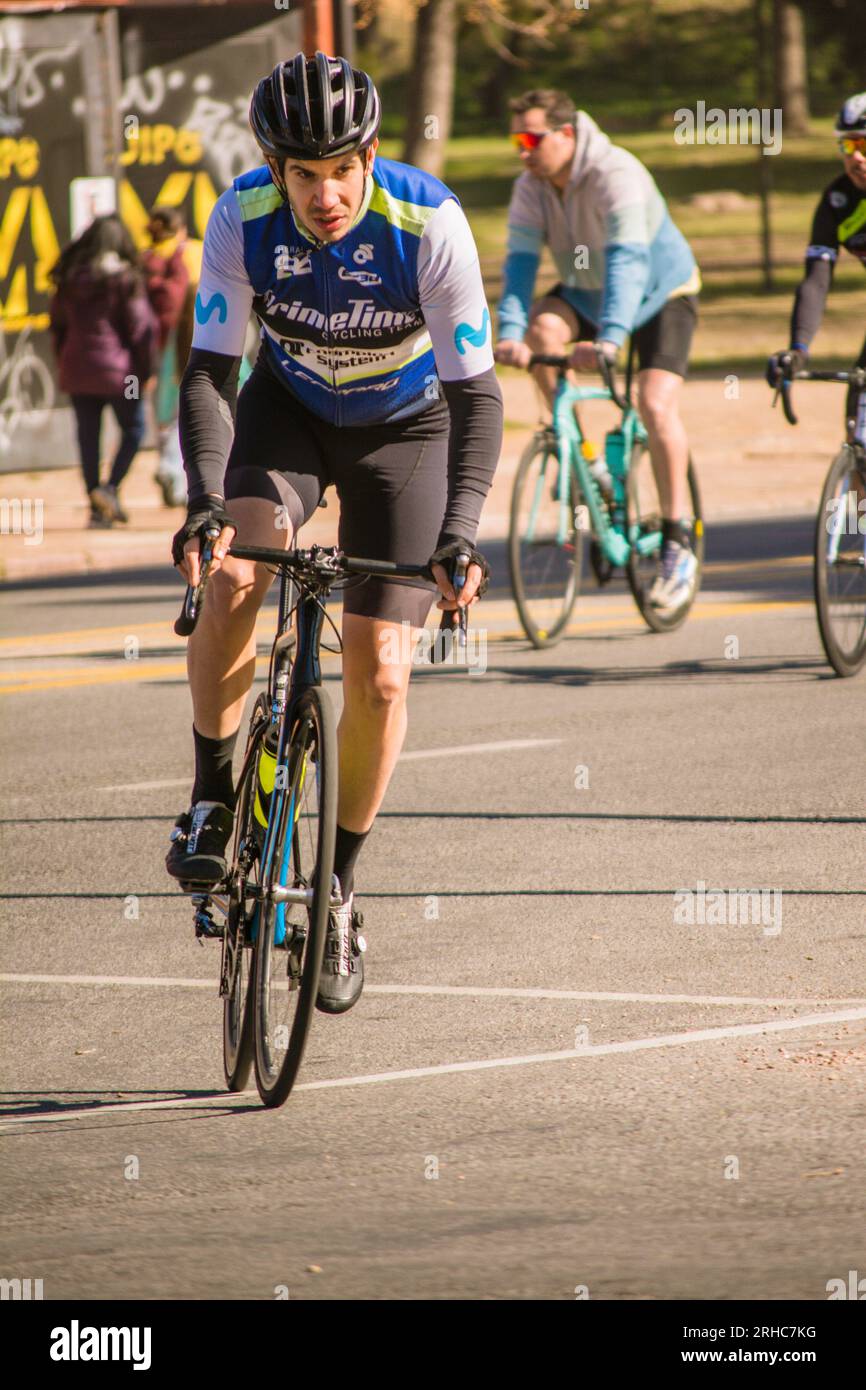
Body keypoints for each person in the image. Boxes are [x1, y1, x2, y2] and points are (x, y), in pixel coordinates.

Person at [165, 52, 503, 1015]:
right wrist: (202, 501)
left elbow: (478, 397)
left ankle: (340, 888)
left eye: (341, 169)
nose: (325, 195)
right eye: (302, 174)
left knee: (384, 671)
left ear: (370, 154)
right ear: (275, 168)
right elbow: (209, 373)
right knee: (232, 577)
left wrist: (463, 531)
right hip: (291, 415)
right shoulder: (241, 217)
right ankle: (213, 793)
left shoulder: (427, 223)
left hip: (408, 431)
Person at [494, 89, 701, 611]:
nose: (522, 150)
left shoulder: (617, 173)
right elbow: (519, 265)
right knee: (543, 333)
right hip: (587, 290)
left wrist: (610, 338)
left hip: (660, 293)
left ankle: (679, 541)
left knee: (653, 403)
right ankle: (583, 460)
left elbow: (629, 263)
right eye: (516, 139)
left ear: (565, 135)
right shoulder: (531, 186)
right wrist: (510, 332)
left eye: (531, 139)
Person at [49, 214, 157, 527]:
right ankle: (109, 490)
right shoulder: (125, 279)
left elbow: (57, 326)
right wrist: (145, 372)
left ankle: (97, 505)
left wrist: (64, 362)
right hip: (127, 376)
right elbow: (141, 331)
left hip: (78, 372)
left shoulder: (68, 278)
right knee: (135, 428)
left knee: (88, 437)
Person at [767, 92, 866, 431]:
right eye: (848, 146)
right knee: (858, 422)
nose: (857, 158)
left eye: (865, 147)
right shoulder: (838, 201)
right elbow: (817, 281)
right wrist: (798, 349)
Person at [141, 206, 191, 508]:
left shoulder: (142, 260)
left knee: (164, 415)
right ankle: (172, 472)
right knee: (186, 412)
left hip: (147, 351)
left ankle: (169, 471)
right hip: (185, 344)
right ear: (180, 230)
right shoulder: (187, 257)